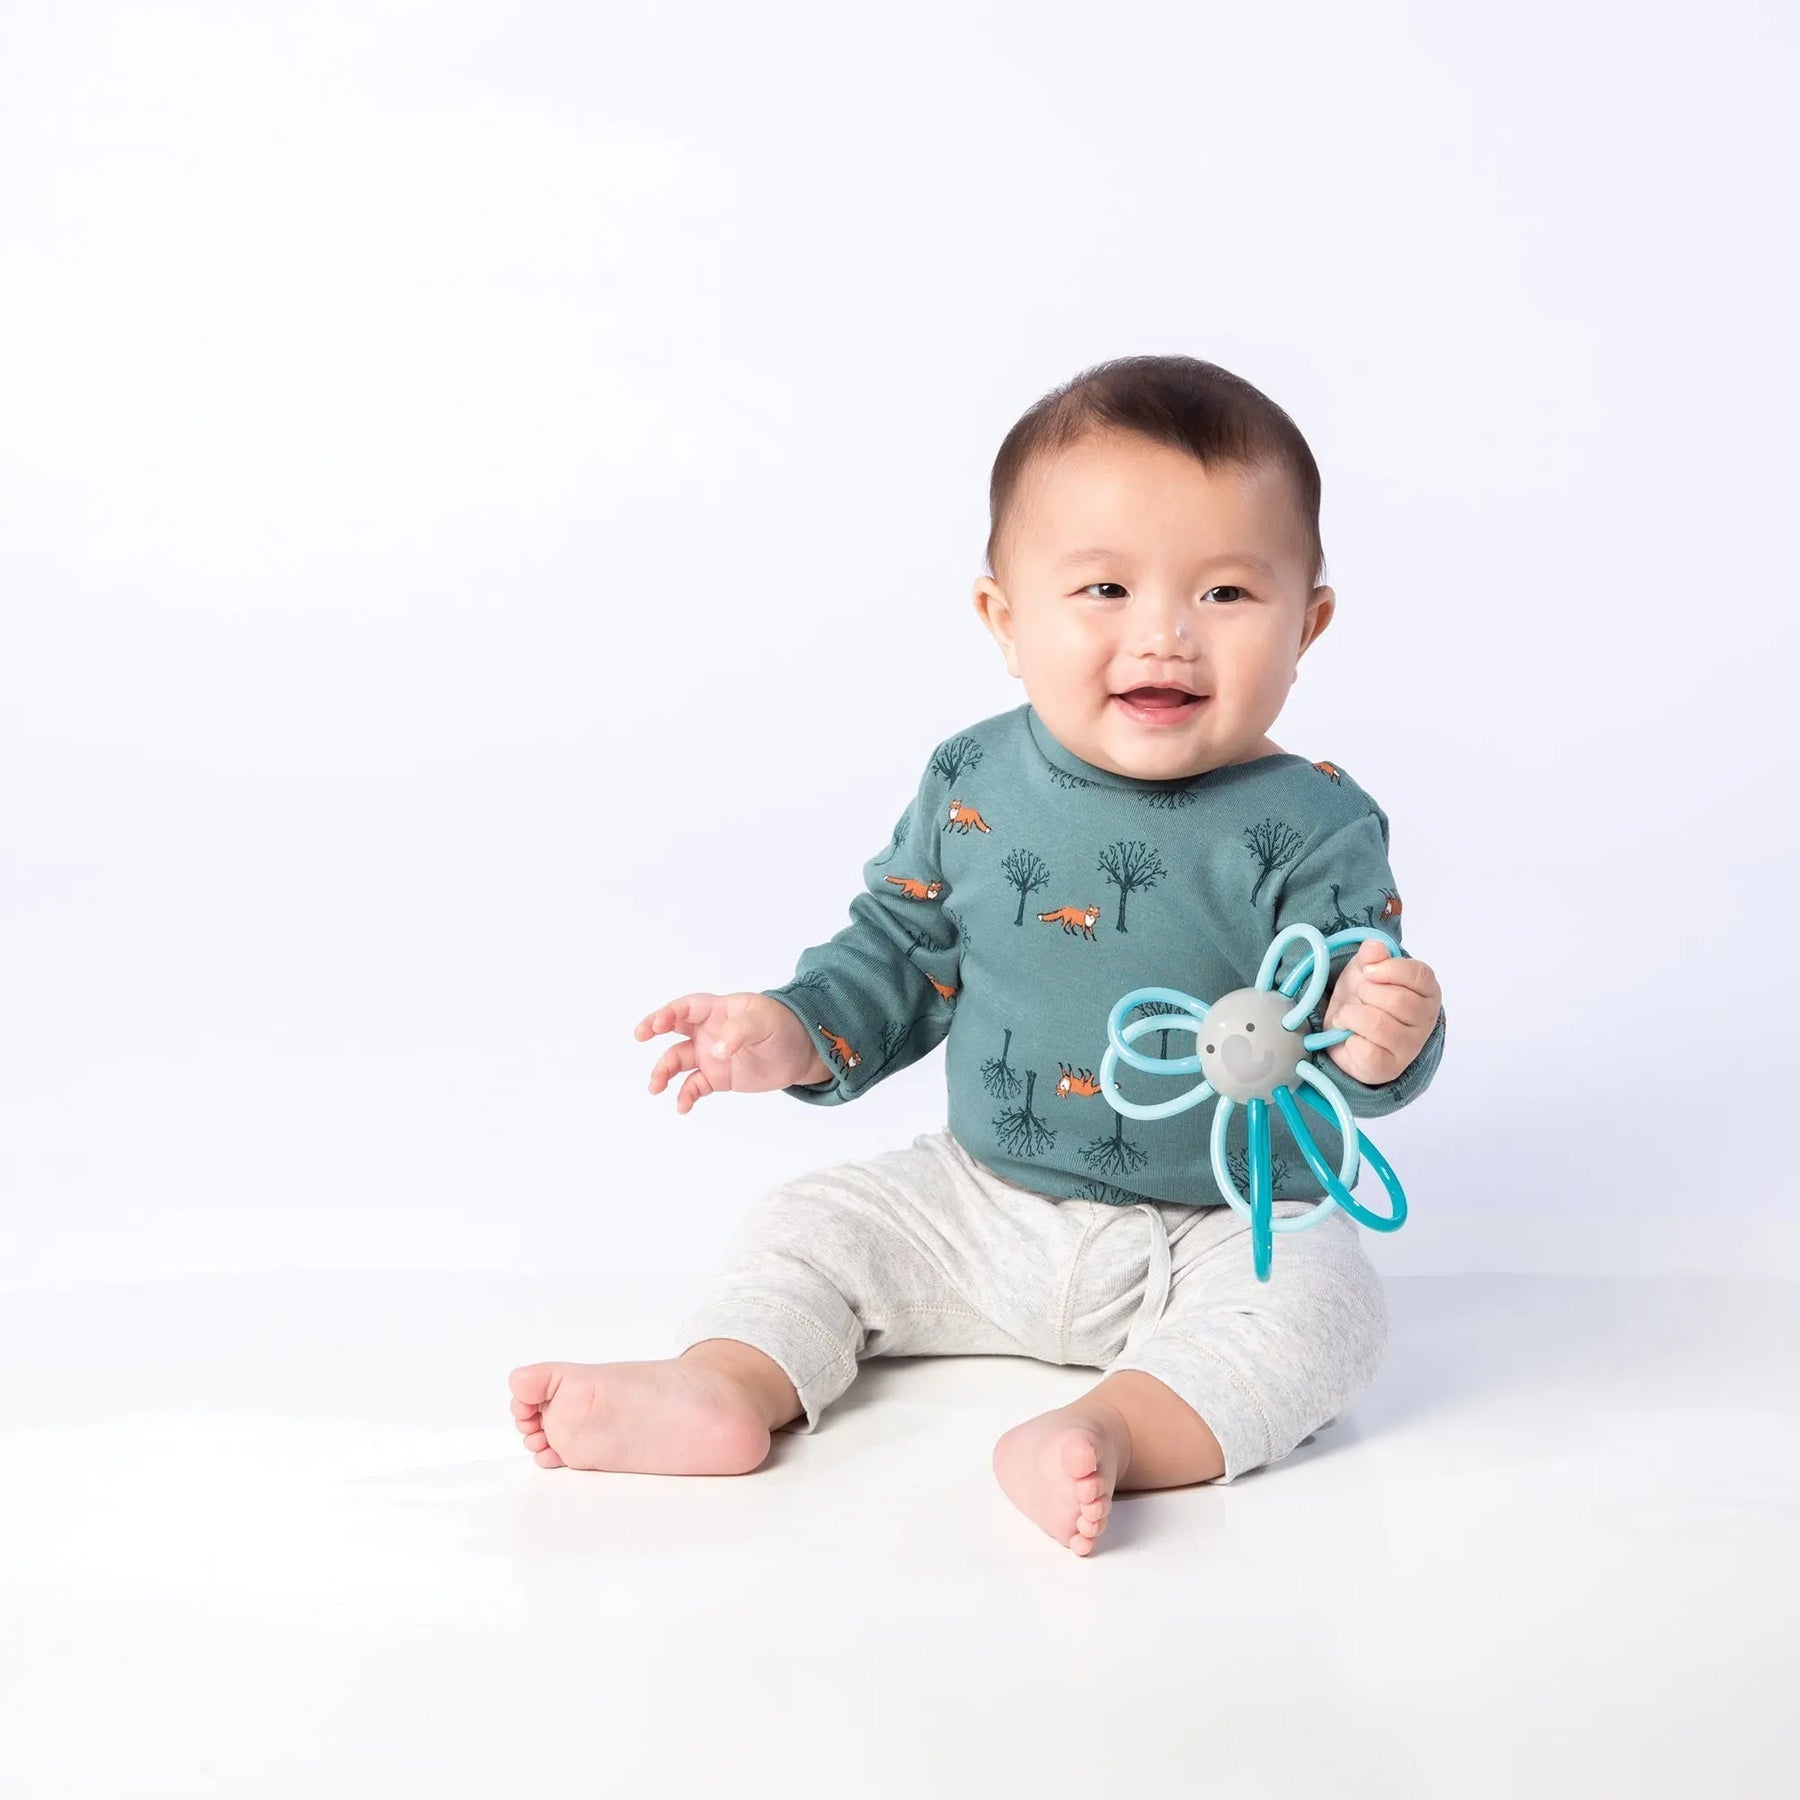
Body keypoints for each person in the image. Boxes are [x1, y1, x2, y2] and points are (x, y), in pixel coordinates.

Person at [509, 354, 1446, 1556]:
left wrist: (1387, 1036)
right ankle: (729, 1383)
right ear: (1006, 620)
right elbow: (903, 950)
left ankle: (1116, 1427)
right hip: (979, 1197)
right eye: (1103, 587)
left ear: (1307, 622)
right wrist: (792, 1029)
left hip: (1224, 1224)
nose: (1163, 633)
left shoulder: (1315, 824)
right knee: (811, 1223)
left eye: (1224, 595)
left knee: (1328, 1309)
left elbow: (1350, 1021)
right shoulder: (973, 782)